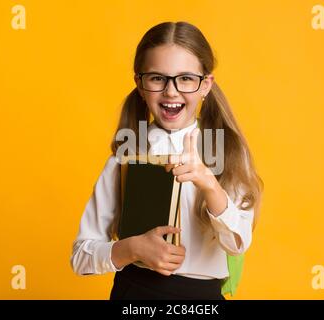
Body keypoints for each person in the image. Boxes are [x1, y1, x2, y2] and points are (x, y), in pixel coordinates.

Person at [71, 21, 263, 300]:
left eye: (185, 78)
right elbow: (81, 257)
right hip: (134, 294)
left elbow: (237, 243)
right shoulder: (127, 156)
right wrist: (132, 249)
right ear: (140, 84)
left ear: (205, 84)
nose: (171, 91)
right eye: (157, 78)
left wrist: (209, 184)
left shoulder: (228, 153)